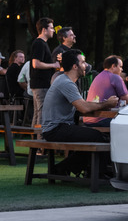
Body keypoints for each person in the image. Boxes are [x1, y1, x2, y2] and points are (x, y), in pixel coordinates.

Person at [42, 49, 117, 177]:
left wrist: (99, 105)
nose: (86, 65)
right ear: (75, 66)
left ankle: (63, 168)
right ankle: (99, 173)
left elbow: (81, 106)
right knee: (98, 137)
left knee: (94, 137)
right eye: (83, 62)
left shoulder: (65, 81)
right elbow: (83, 108)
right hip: (55, 129)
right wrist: (107, 104)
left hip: (58, 127)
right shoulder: (66, 83)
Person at [84, 55, 128, 126]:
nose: (122, 70)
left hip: (88, 119)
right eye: (120, 67)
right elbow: (127, 100)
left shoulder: (98, 76)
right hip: (100, 119)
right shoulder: (115, 77)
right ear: (113, 66)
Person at [30, 17, 61, 129]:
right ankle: (40, 143)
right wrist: (54, 65)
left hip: (39, 84)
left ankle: (34, 144)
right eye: (51, 28)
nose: (53, 30)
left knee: (38, 113)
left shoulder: (42, 43)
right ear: (44, 30)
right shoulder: (39, 43)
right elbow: (36, 64)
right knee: (42, 113)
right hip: (41, 84)